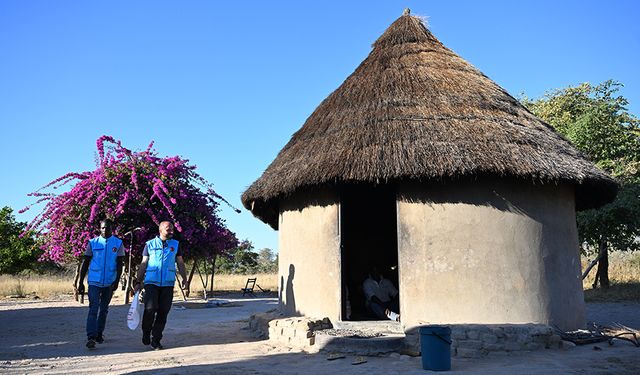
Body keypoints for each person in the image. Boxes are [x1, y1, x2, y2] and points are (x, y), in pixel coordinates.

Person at [134, 221, 188, 350]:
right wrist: (138, 281)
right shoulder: (149, 244)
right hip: (151, 283)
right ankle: (146, 332)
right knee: (150, 309)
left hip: (168, 283)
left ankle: (156, 339)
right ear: (161, 230)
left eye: (172, 229)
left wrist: (184, 279)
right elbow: (143, 264)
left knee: (163, 311)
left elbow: (180, 263)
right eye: (168, 229)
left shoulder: (175, 244)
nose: (171, 232)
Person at [77, 219, 125, 349]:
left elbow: (120, 264)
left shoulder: (118, 243)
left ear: (112, 228)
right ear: (100, 228)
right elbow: (85, 263)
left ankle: (99, 334)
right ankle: (91, 337)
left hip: (109, 282)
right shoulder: (93, 243)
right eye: (103, 228)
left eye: (108, 228)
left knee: (103, 309)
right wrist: (80, 282)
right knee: (93, 308)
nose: (105, 230)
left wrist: (116, 280)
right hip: (94, 281)